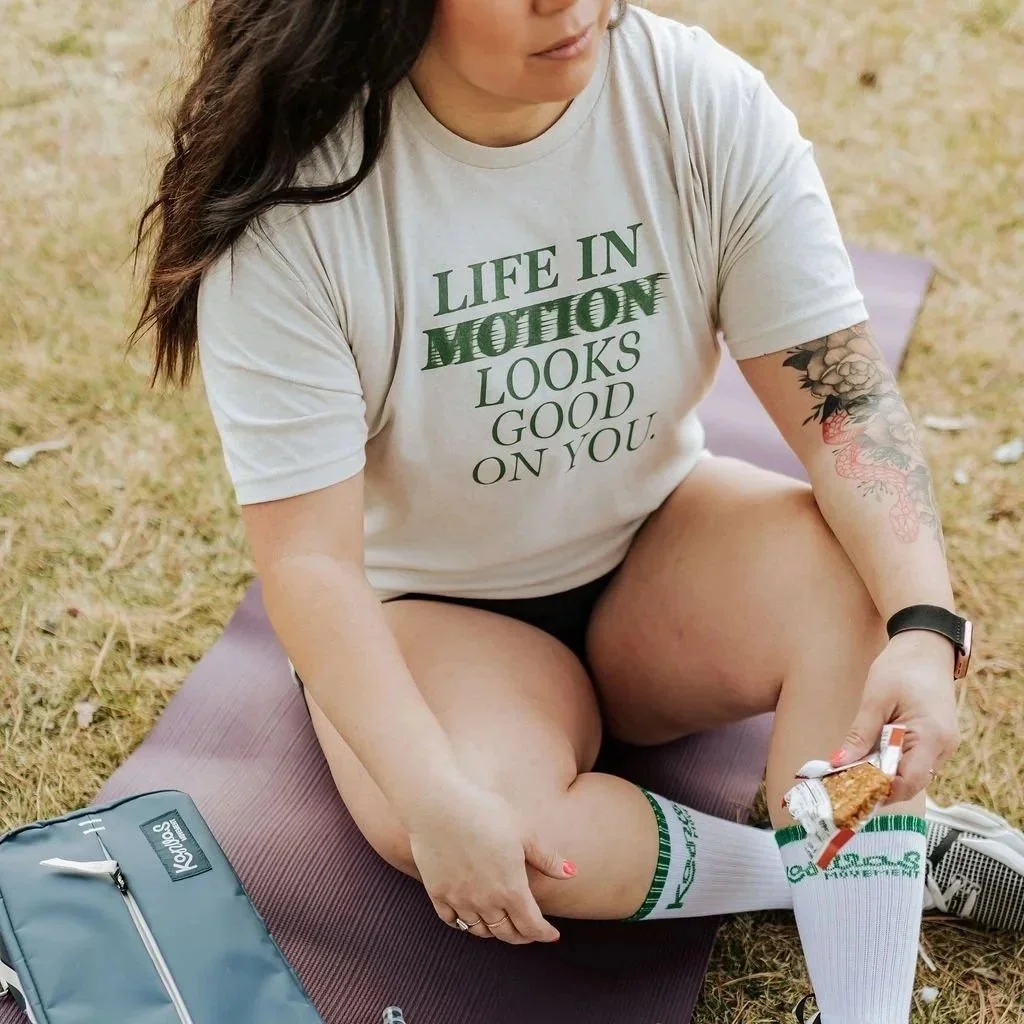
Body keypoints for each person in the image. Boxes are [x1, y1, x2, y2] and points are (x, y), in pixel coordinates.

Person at [129, 2, 1024, 1022]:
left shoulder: (696, 100)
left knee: (860, 590)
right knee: (501, 837)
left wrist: (923, 624)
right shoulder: (300, 205)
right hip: (435, 606)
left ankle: (862, 991)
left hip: (656, 543)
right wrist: (428, 794)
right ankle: (814, 862)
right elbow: (311, 566)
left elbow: (841, 406)